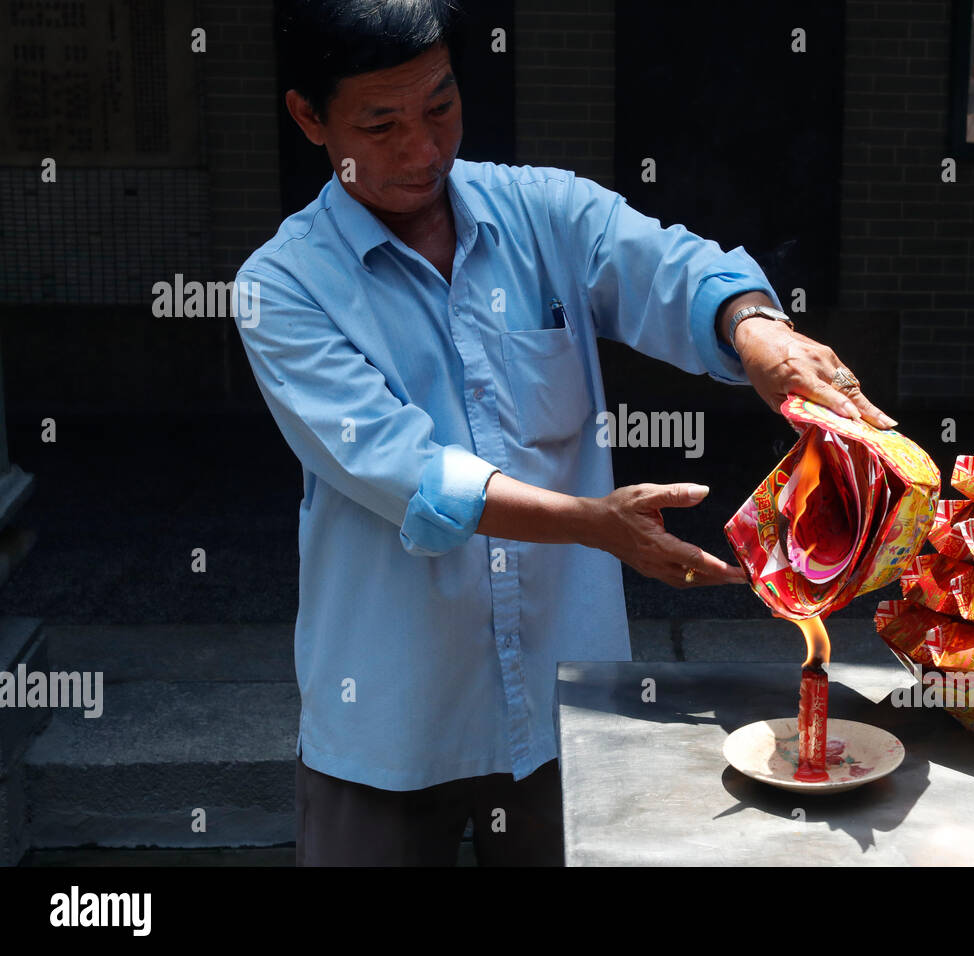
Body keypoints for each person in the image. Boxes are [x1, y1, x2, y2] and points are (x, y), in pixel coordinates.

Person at [235, 0, 893, 866]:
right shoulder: (283, 288)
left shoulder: (540, 212)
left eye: (441, 106)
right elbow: (410, 473)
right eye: (382, 124)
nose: (424, 148)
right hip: (389, 725)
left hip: (567, 701)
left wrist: (756, 331)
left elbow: (667, 265)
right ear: (308, 117)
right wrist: (594, 524)